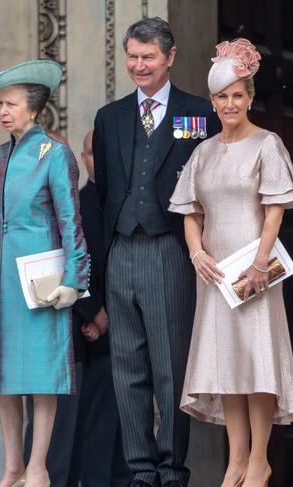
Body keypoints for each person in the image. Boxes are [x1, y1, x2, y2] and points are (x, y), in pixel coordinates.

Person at [169, 38, 293, 487]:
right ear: (213, 101)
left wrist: (261, 262)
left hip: (254, 270)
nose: (230, 103)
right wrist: (197, 253)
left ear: (249, 97)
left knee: (257, 359)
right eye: (222, 96)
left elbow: (275, 209)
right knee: (227, 363)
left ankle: (260, 460)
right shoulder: (203, 151)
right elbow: (190, 212)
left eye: (238, 94)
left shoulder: (267, 144)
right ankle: (237, 461)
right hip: (217, 272)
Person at [92, 16, 220, 487]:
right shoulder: (110, 117)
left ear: (169, 57)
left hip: (170, 248)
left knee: (170, 368)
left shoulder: (198, 114)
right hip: (121, 251)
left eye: (148, 56)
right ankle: (140, 470)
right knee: (127, 369)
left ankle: (171, 470)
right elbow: (106, 191)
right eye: (132, 56)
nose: (139, 65)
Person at [0, 60, 89, 487]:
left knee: (41, 373)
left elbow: (71, 221)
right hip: (0, 275)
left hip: (41, 277)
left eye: (10, 103)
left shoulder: (55, 154)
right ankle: (12, 465)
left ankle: (38, 467)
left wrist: (75, 279)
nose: (3, 110)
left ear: (34, 109)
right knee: (3, 376)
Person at [23, 130, 131, 487]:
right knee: (60, 441)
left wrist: (108, 315)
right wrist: (92, 312)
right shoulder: (46, 205)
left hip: (108, 333)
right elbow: (64, 261)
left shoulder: (120, 200)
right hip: (65, 333)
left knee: (107, 436)